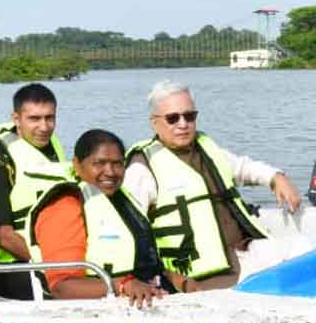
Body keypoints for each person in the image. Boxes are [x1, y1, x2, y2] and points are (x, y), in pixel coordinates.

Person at [124, 80, 301, 290]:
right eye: (173, 118)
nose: (183, 124)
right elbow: (129, 230)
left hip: (243, 251)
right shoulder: (142, 168)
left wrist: (276, 177)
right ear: (154, 123)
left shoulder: (206, 148)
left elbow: (244, 168)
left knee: (301, 248)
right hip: (202, 274)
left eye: (189, 116)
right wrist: (163, 277)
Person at [29, 129, 193, 307]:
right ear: (77, 165)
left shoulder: (123, 200)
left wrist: (186, 283)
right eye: (99, 163)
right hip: (97, 312)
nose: (110, 172)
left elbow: (148, 262)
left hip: (151, 297)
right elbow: (62, 287)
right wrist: (123, 285)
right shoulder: (64, 206)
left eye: (117, 164)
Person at [0, 82, 70, 299]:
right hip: (7, 267)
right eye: (34, 119)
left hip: (51, 254)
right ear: (16, 119)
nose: (44, 127)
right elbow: (5, 237)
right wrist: (53, 267)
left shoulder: (52, 147)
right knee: (81, 286)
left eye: (49, 118)